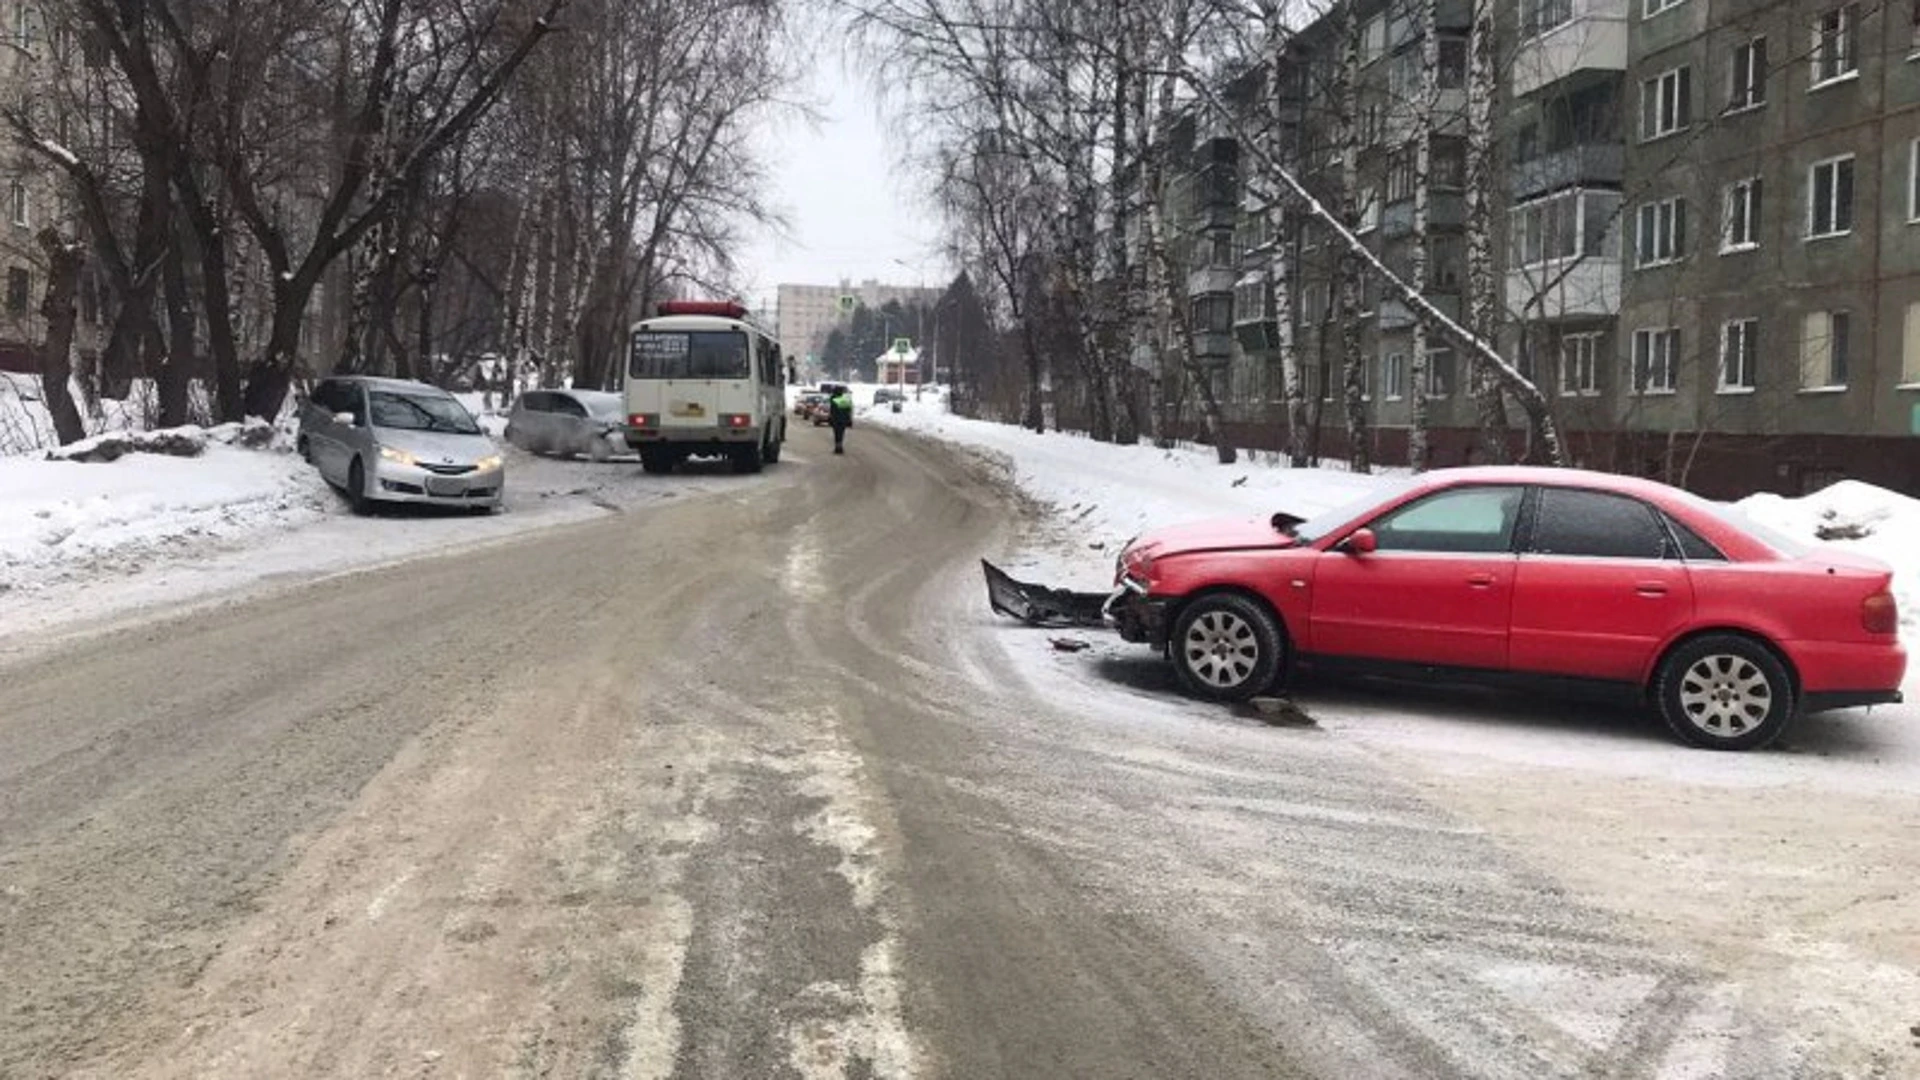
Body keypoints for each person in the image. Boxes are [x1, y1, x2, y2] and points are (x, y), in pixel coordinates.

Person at [827, 386, 854, 454]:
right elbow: (848, 410)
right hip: (843, 420)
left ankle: (837, 447)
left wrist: (830, 418)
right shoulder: (845, 400)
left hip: (836, 419)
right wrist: (849, 419)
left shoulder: (833, 399)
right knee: (841, 433)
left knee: (836, 433)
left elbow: (832, 410)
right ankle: (840, 446)